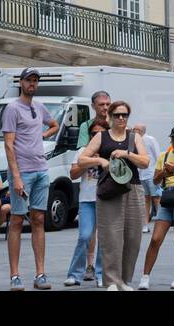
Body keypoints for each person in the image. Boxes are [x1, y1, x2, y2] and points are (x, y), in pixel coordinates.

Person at [79, 99, 148, 290]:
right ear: (110, 116)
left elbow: (145, 161)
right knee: (111, 237)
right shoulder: (102, 136)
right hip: (109, 190)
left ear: (128, 117)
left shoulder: (134, 137)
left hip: (132, 188)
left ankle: (124, 281)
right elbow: (81, 159)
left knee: (133, 237)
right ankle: (111, 281)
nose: (120, 118)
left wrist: (127, 154)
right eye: (117, 114)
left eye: (124, 115)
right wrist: (100, 161)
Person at [2, 68, 59, 291]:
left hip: (41, 170)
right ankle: (14, 276)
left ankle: (40, 274)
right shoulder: (12, 108)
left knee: (38, 220)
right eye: (29, 80)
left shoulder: (39, 106)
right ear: (21, 82)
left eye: (35, 81)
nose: (32, 84)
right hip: (22, 172)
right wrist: (16, 177)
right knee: (17, 221)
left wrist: (43, 135)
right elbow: (8, 144)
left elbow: (53, 124)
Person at [139, 124, 174, 289]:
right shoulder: (164, 155)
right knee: (156, 238)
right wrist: (164, 173)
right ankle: (145, 276)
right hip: (166, 195)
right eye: (173, 139)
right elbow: (156, 181)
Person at [65, 118, 107, 287]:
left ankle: (101, 273)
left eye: (100, 134)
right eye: (93, 133)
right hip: (86, 200)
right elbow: (73, 174)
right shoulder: (83, 151)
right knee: (84, 236)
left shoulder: (110, 150)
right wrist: (90, 160)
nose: (96, 136)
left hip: (106, 200)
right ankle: (75, 274)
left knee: (104, 239)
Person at [136, 122, 160, 234]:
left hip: (151, 173)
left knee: (156, 198)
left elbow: (157, 155)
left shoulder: (150, 139)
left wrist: (158, 171)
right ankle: (144, 224)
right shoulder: (135, 141)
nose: (133, 131)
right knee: (145, 199)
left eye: (135, 130)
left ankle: (161, 222)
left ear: (140, 131)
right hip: (141, 174)